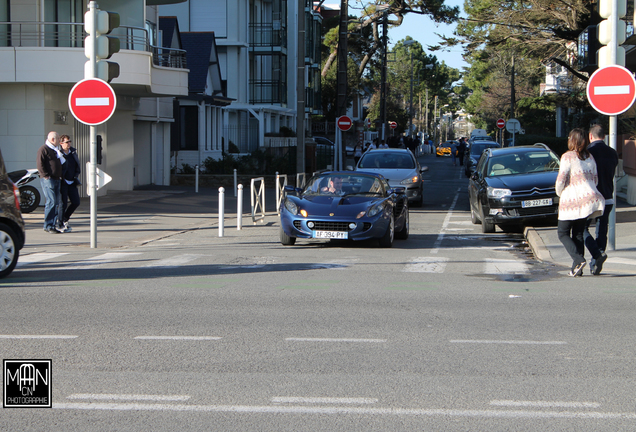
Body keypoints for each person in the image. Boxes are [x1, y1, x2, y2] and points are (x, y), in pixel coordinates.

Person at [555, 128, 605, 277]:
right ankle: (578, 269)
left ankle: (578, 259)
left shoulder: (567, 156)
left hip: (571, 200)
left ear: (573, 140)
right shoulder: (589, 157)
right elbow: (595, 179)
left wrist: (560, 193)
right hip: (588, 200)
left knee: (562, 233)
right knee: (578, 233)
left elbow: (561, 180)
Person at [584, 124, 619, 275]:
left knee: (581, 228)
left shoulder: (588, 153)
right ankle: (596, 262)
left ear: (590, 136)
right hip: (608, 197)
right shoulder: (613, 153)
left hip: (592, 198)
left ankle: (597, 254)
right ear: (604, 136)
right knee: (601, 230)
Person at [37, 131, 64, 234]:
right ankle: (48, 225)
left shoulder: (55, 150)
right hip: (49, 179)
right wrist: (45, 175)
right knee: (51, 201)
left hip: (57, 179)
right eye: (58, 139)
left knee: (56, 202)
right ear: (53, 139)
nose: (59, 141)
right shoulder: (44, 149)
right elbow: (40, 163)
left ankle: (52, 224)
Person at [57, 134, 81, 233]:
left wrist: (76, 175)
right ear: (61, 143)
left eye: (70, 141)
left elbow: (77, 165)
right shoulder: (58, 154)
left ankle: (65, 218)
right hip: (63, 181)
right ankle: (60, 223)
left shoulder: (73, 152)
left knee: (76, 202)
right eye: (67, 142)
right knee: (63, 203)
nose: (69, 144)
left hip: (72, 181)